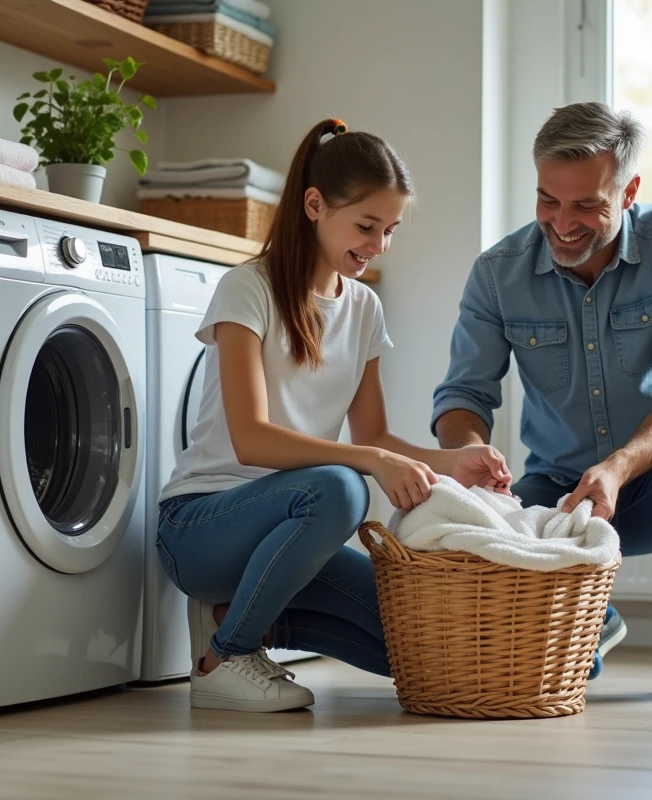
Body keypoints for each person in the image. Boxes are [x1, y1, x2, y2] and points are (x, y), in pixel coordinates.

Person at [156, 118, 512, 713]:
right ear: (314, 205)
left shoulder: (365, 308)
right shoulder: (248, 289)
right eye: (366, 226)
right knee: (342, 488)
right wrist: (370, 461)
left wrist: (455, 462)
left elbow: (375, 435)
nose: (379, 245)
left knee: (418, 642)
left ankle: (240, 620)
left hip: (291, 525)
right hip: (200, 526)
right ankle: (225, 660)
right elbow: (251, 440)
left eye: (391, 230)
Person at [432, 102, 652, 704]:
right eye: (547, 201)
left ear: (630, 189)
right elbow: (463, 396)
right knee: (540, 668)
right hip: (557, 498)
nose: (562, 223)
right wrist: (469, 452)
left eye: (586, 204)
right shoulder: (497, 272)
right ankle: (587, 625)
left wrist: (618, 467)